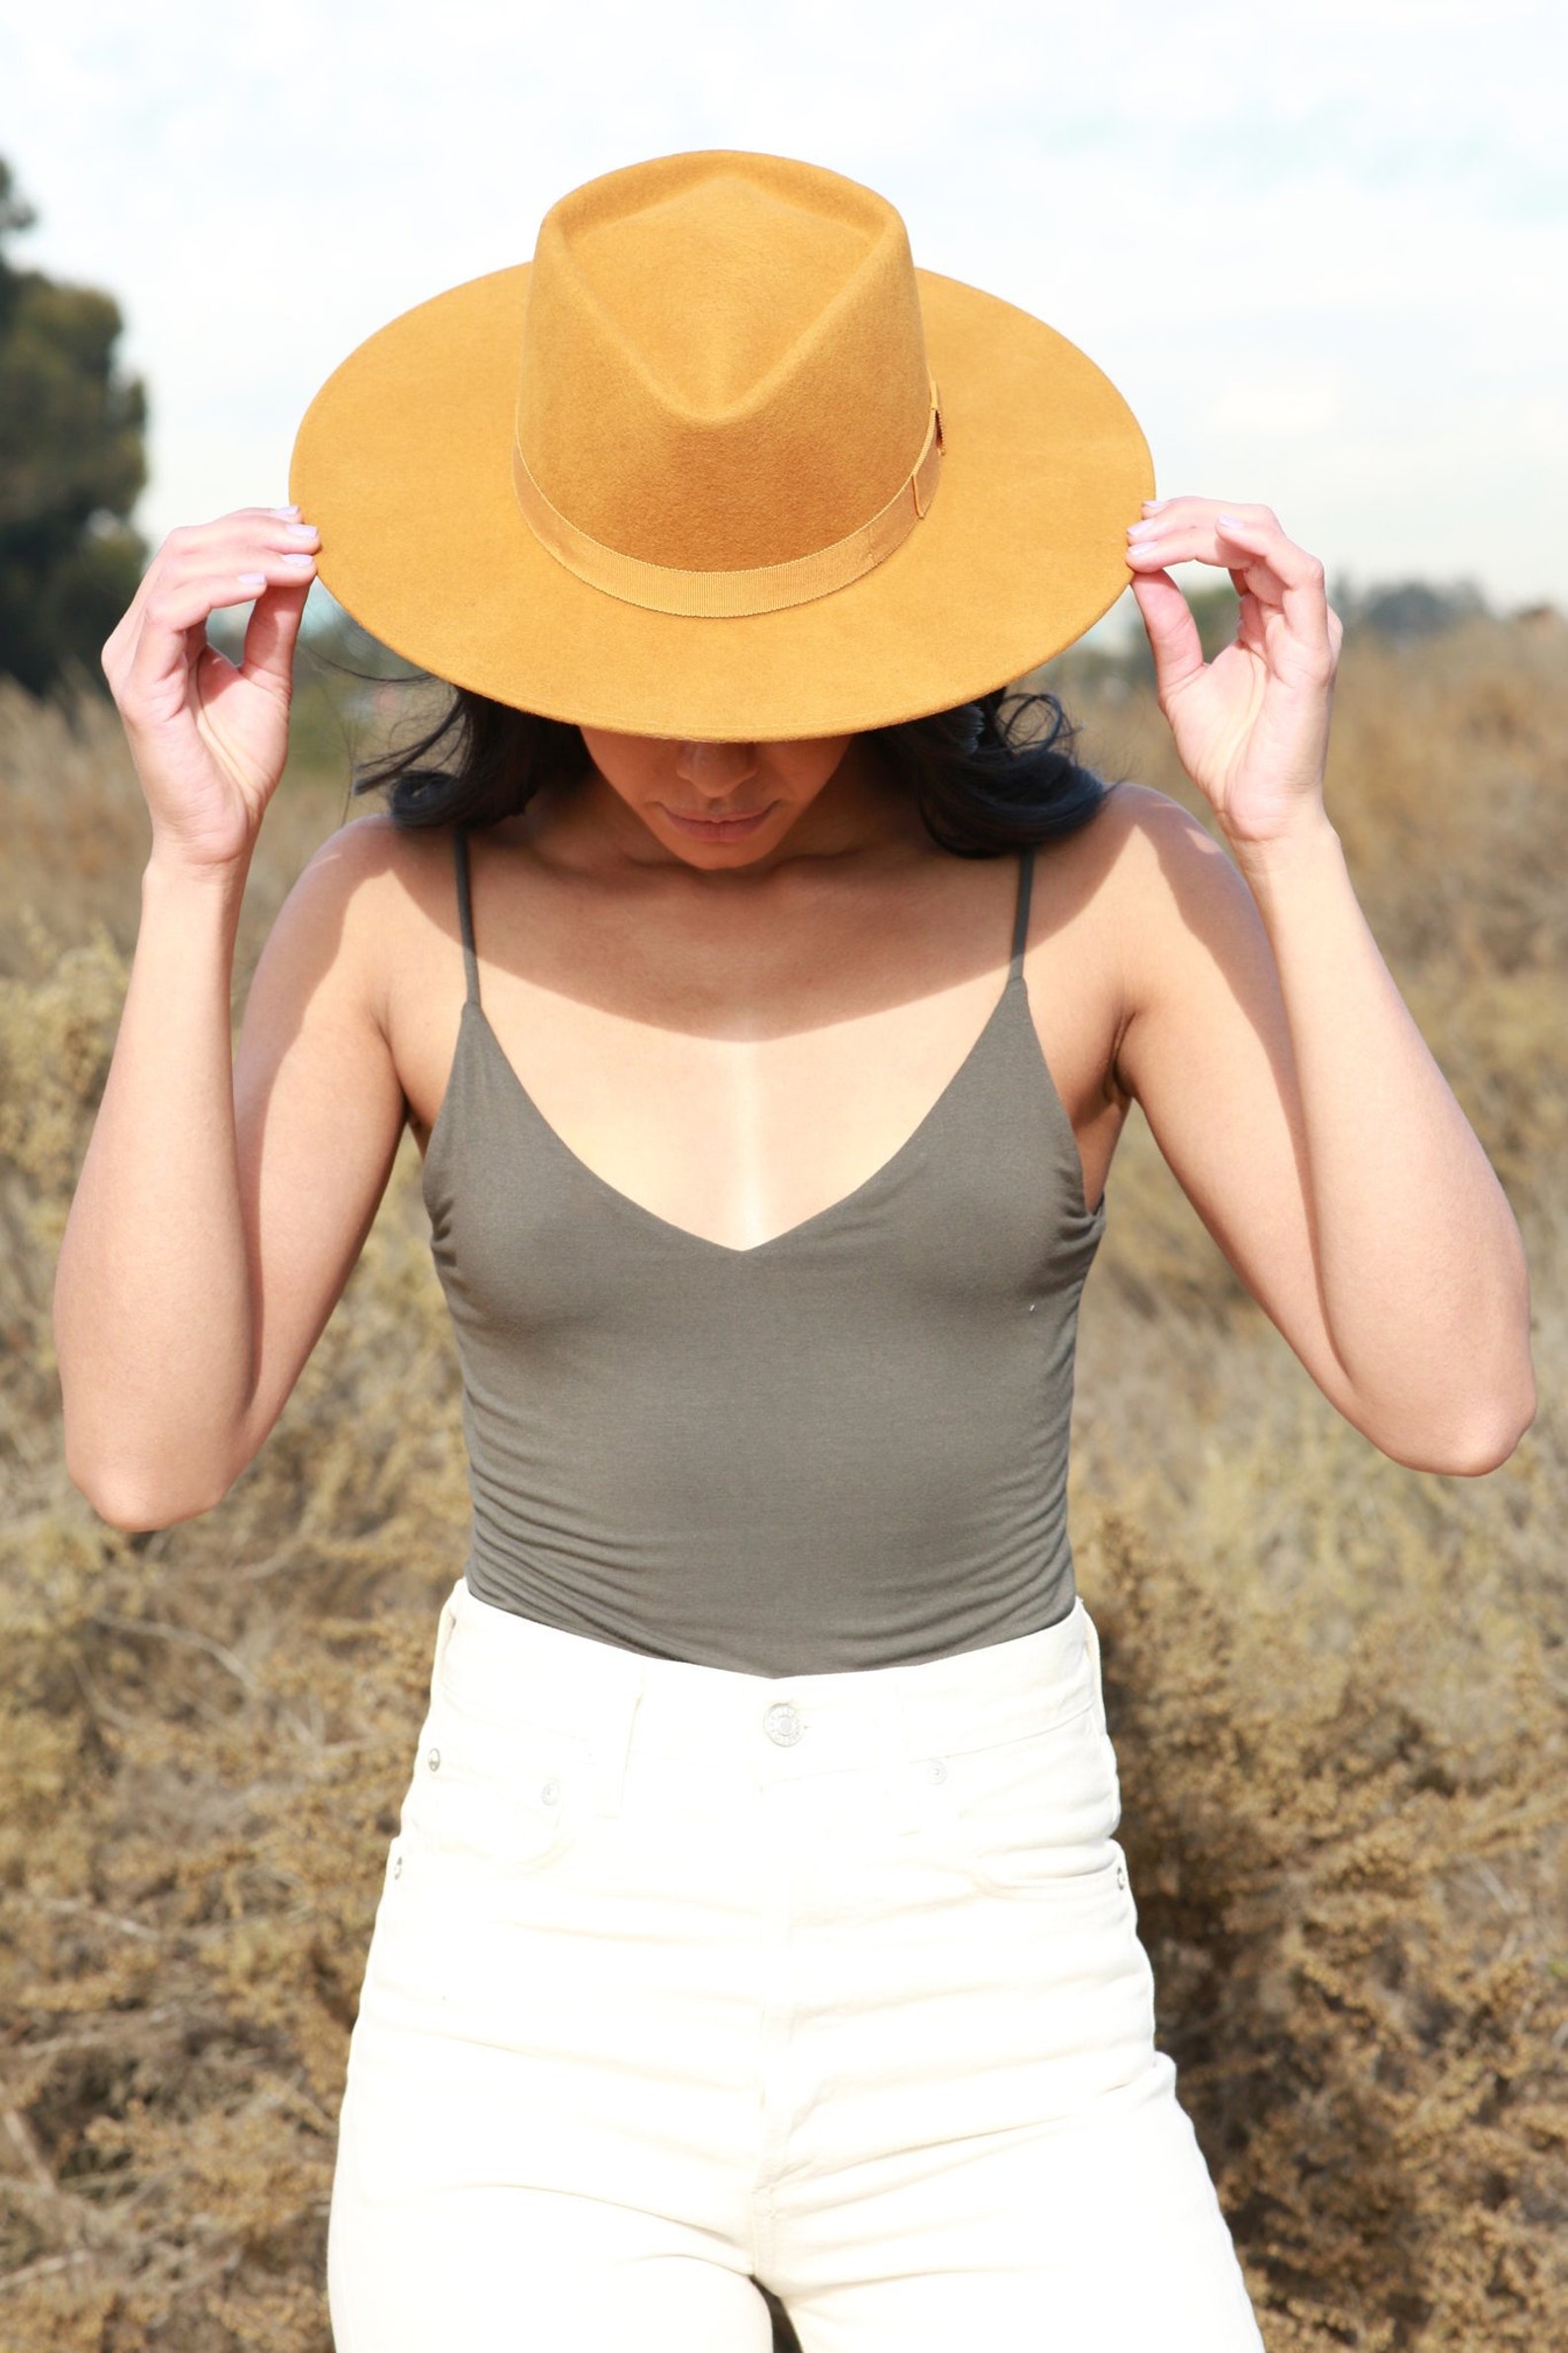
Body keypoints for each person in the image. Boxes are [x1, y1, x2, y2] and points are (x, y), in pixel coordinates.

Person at [56, 150, 1534, 2353]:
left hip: (997, 2004)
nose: (714, 749)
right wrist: (197, 870)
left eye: (785, 661)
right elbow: (149, 1452)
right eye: (647, 660)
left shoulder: (1108, 892)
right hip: (533, 1992)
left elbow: (1456, 1395)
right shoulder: (392, 906)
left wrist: (1283, 835)